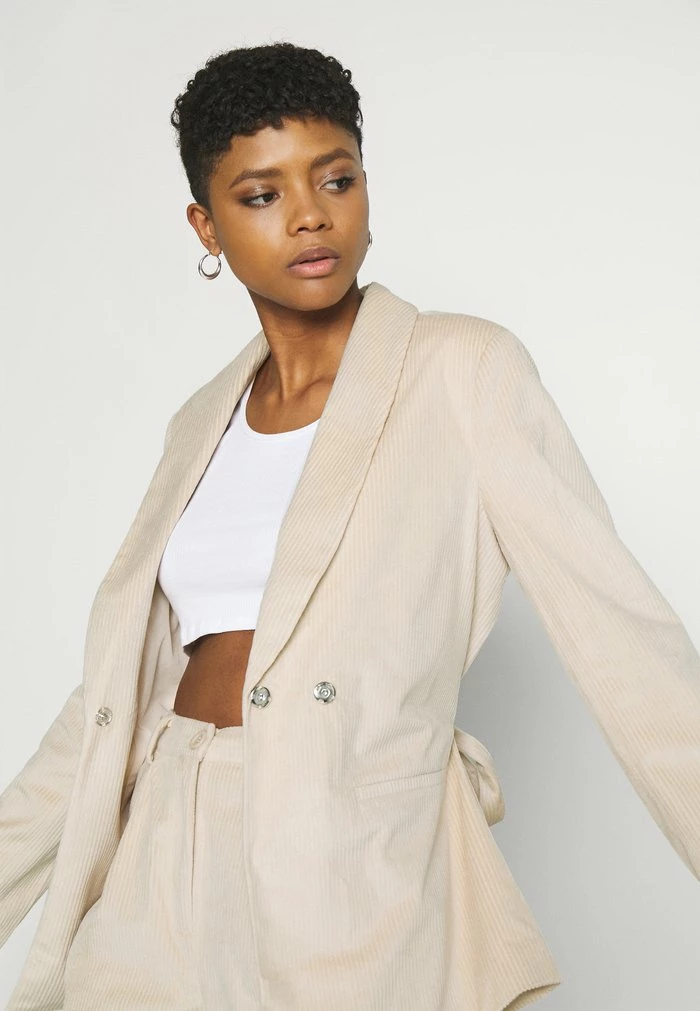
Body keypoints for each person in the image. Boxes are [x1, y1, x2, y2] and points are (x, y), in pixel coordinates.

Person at [2, 41, 699, 1011]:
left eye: (336, 179)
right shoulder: (199, 422)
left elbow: (618, 635)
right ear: (206, 225)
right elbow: (110, 702)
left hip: (348, 853)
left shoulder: (461, 369)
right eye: (261, 195)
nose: (310, 215)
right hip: (160, 850)